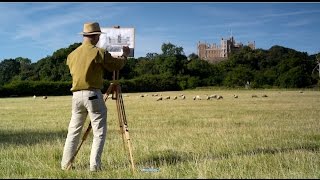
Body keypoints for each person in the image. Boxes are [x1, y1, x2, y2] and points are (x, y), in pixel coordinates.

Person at [61, 22, 130, 172]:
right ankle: (95, 166)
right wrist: (125, 55)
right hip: (92, 94)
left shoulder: (71, 55)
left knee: (73, 131)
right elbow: (115, 66)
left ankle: (66, 165)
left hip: (76, 96)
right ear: (95, 36)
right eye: (98, 36)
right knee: (99, 132)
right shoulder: (98, 52)